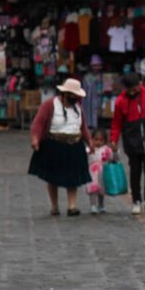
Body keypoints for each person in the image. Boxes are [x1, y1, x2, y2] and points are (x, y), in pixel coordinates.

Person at [29, 78, 92, 217]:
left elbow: (83, 127)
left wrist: (89, 142)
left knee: (74, 178)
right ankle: (54, 205)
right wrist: (35, 139)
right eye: (72, 95)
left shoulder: (78, 108)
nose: (75, 98)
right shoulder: (49, 105)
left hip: (74, 145)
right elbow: (38, 124)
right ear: (65, 93)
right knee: (52, 177)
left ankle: (72, 206)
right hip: (54, 145)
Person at [110, 72, 145, 215]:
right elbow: (116, 123)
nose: (133, 91)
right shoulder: (120, 101)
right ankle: (136, 200)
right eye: (130, 89)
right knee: (135, 172)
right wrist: (113, 140)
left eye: (135, 88)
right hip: (132, 143)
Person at [86, 129, 113, 214]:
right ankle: (93, 205)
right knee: (92, 189)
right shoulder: (89, 149)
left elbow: (112, 158)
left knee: (101, 190)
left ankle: (101, 205)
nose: (98, 142)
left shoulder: (106, 149)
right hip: (92, 173)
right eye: (96, 139)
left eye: (101, 140)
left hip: (103, 172)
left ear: (105, 141)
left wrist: (114, 151)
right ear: (92, 139)